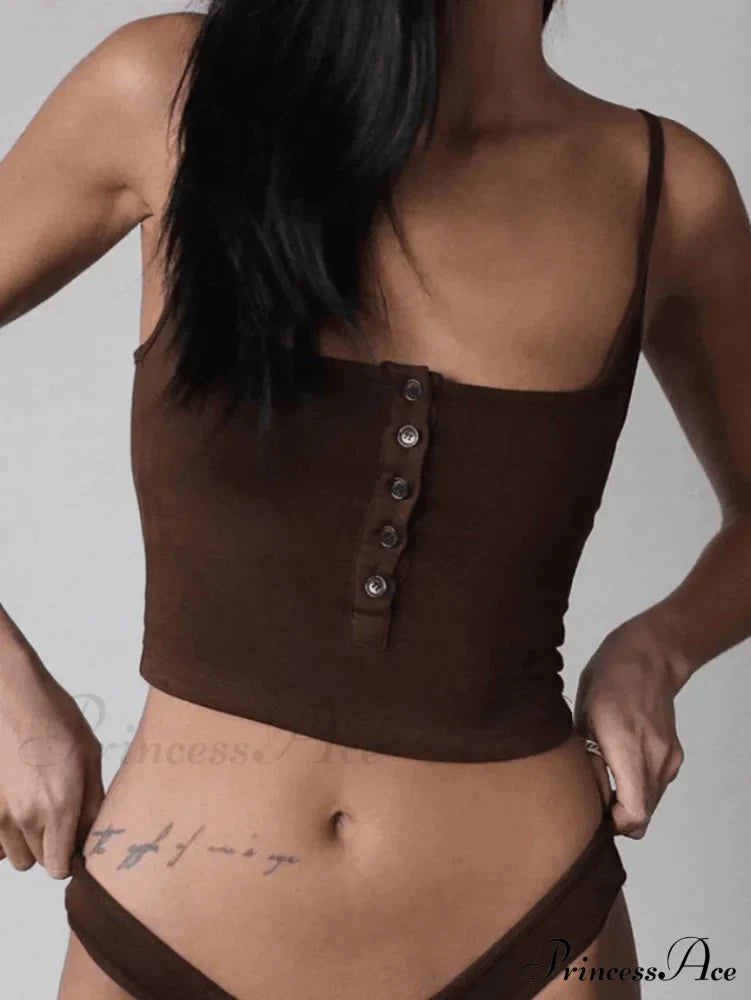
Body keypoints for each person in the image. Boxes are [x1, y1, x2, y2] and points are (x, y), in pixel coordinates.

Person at [0, 2, 749, 998]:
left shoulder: (662, 189)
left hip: (535, 943)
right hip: (159, 938)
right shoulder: (170, 91)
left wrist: (659, 649)